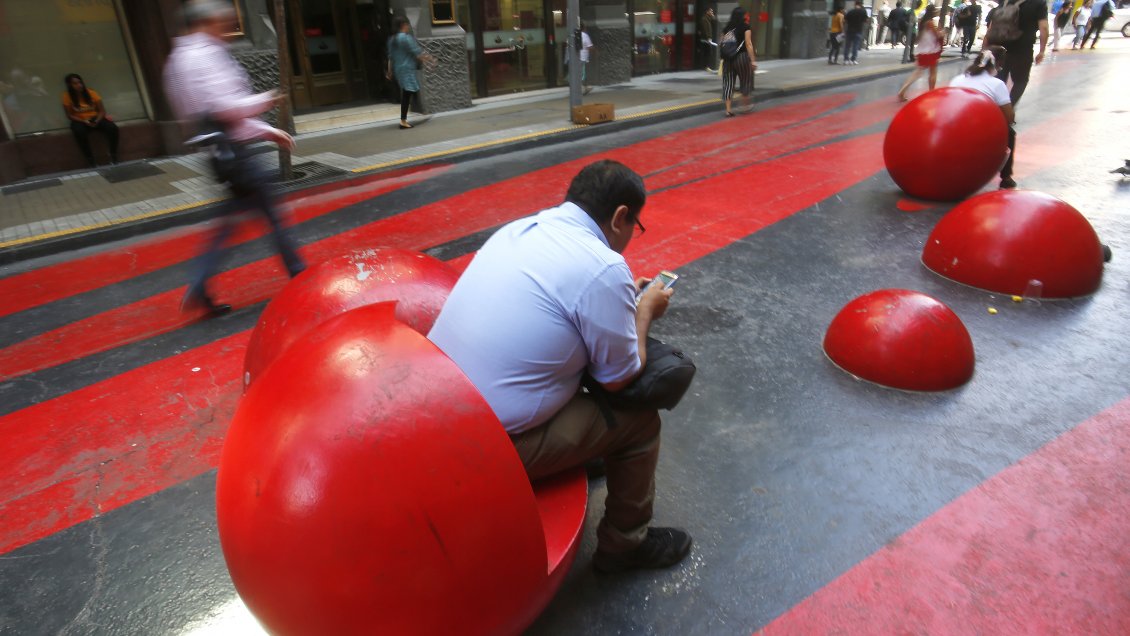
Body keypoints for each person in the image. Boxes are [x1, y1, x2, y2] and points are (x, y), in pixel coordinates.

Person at [427, 160, 692, 575]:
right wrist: (644, 313)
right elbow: (620, 376)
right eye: (635, 225)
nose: (630, 236)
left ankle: (587, 453)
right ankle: (625, 545)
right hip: (488, 448)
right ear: (621, 216)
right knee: (640, 423)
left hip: (436, 414)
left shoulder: (519, 230)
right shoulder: (603, 266)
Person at [164, 0, 306, 316]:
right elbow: (227, 107)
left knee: (229, 222)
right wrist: (265, 103)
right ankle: (301, 277)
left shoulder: (177, 59)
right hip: (237, 152)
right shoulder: (205, 56)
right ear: (206, 23)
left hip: (217, 153)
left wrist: (264, 130)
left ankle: (200, 284)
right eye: (222, 23)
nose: (226, 30)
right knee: (273, 214)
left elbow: (201, 115)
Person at [949, 46, 1019, 188]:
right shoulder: (997, 84)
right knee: (1010, 133)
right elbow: (1009, 117)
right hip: (978, 129)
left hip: (952, 124)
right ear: (998, 64)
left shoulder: (958, 79)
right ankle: (1006, 177)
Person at [987, 0, 1048, 106]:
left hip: (998, 49)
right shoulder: (1038, 3)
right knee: (1020, 81)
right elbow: (1044, 28)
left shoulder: (1004, 3)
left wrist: (985, 49)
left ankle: (992, 109)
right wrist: (1042, 51)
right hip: (1022, 50)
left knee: (997, 80)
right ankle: (1008, 108)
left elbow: (991, 28)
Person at [61, 73, 120, 168]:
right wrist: (84, 121)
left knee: (112, 128)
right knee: (79, 132)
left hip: (95, 117)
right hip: (80, 120)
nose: (79, 85)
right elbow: (69, 115)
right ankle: (90, 159)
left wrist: (97, 121)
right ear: (69, 85)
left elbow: (102, 111)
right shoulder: (66, 96)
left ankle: (113, 155)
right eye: (75, 83)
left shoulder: (91, 92)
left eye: (80, 82)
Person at [386, 16, 432, 129]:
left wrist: (389, 71)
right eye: (407, 25)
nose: (408, 27)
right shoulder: (405, 38)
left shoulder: (392, 39)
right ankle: (403, 120)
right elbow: (417, 52)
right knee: (408, 93)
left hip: (399, 70)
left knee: (412, 90)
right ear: (403, 25)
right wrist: (430, 60)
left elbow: (390, 57)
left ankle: (421, 111)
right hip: (407, 69)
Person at [897, 5, 943, 100]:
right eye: (935, 11)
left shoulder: (922, 21)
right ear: (933, 12)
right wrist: (942, 32)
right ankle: (931, 92)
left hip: (922, 51)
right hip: (931, 51)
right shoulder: (930, 23)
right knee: (933, 72)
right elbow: (937, 35)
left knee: (917, 72)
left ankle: (903, 90)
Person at [720, 7, 757, 116]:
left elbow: (722, 43)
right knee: (745, 80)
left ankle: (728, 110)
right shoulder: (745, 27)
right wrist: (753, 60)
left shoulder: (726, 28)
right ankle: (745, 106)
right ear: (742, 16)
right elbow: (748, 44)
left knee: (728, 83)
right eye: (746, 15)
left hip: (727, 59)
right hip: (741, 57)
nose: (747, 16)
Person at [699, 7, 717, 73]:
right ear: (707, 12)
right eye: (711, 11)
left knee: (708, 52)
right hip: (705, 39)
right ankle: (706, 67)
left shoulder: (708, 19)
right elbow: (705, 29)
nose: (712, 13)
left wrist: (713, 16)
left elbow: (715, 22)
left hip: (708, 39)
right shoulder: (704, 19)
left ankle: (706, 67)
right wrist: (708, 37)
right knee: (707, 53)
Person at [579, 22, 595, 94]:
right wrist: (595, 52)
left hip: (574, 59)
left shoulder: (572, 35)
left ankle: (584, 88)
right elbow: (590, 46)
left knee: (579, 73)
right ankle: (582, 89)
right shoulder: (585, 35)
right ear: (583, 28)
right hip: (582, 58)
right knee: (582, 74)